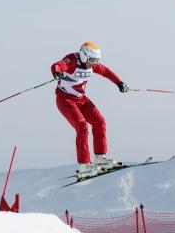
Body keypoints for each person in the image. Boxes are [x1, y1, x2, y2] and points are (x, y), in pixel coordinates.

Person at [51, 41, 130, 178]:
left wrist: (119, 83)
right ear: (83, 56)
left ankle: (100, 158)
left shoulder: (91, 66)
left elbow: (105, 71)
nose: (94, 63)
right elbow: (57, 65)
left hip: (81, 100)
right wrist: (57, 73)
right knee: (82, 125)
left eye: (96, 60)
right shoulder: (72, 60)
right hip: (65, 100)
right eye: (92, 60)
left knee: (100, 121)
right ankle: (84, 166)